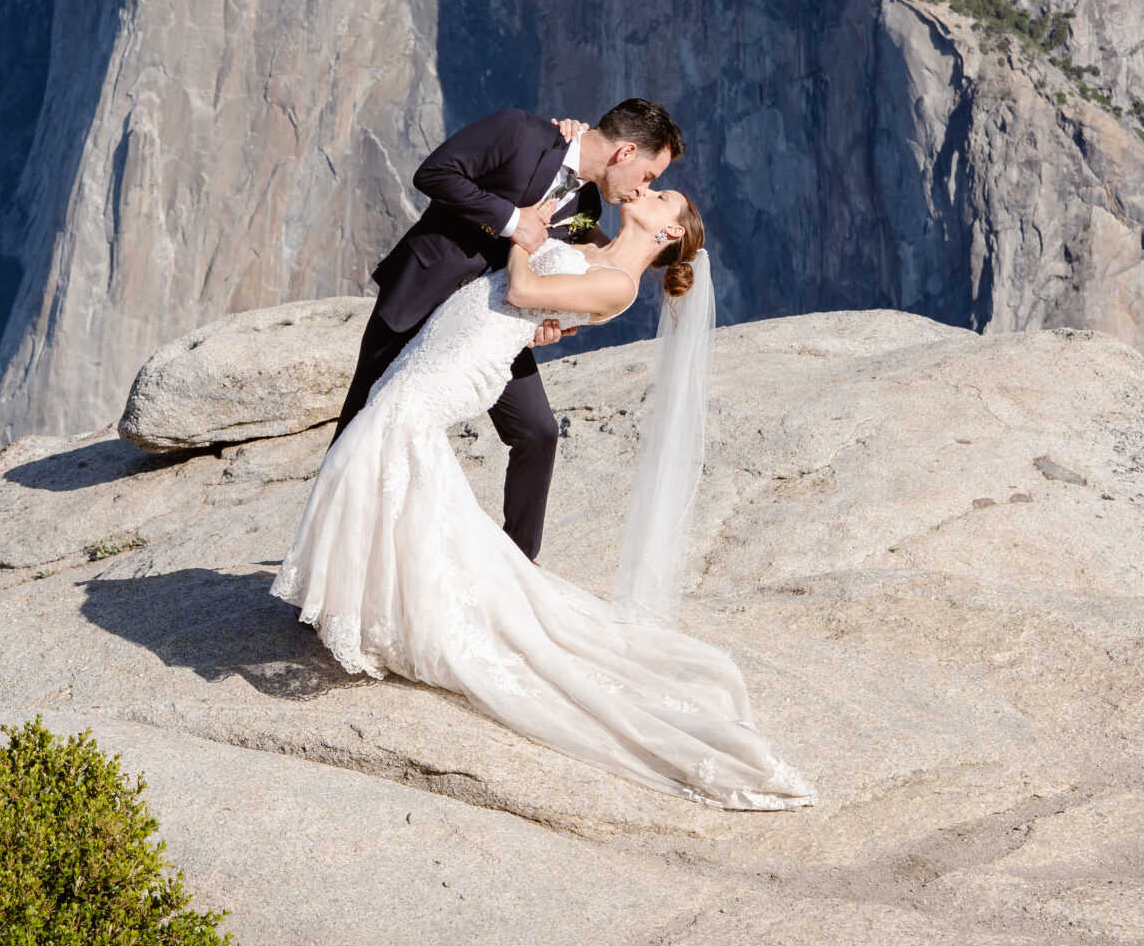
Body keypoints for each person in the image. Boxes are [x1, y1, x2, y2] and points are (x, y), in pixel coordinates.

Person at [273, 181, 814, 809]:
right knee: (385, 439)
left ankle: (375, 595)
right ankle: (373, 588)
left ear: (668, 232)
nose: (650, 189)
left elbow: (525, 289)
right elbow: (533, 310)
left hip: (467, 360)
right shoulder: (596, 247)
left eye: (664, 195)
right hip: (456, 337)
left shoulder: (620, 286)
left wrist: (523, 234)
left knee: (388, 434)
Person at [332, 99, 682, 561]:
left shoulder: (587, 204)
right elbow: (434, 174)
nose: (644, 189)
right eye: (648, 176)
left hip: (488, 324)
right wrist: (514, 221)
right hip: (422, 292)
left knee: (538, 432)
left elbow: (568, 270)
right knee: (363, 421)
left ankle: (519, 562)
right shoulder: (518, 132)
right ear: (625, 153)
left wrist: (554, 321)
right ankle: (334, 556)